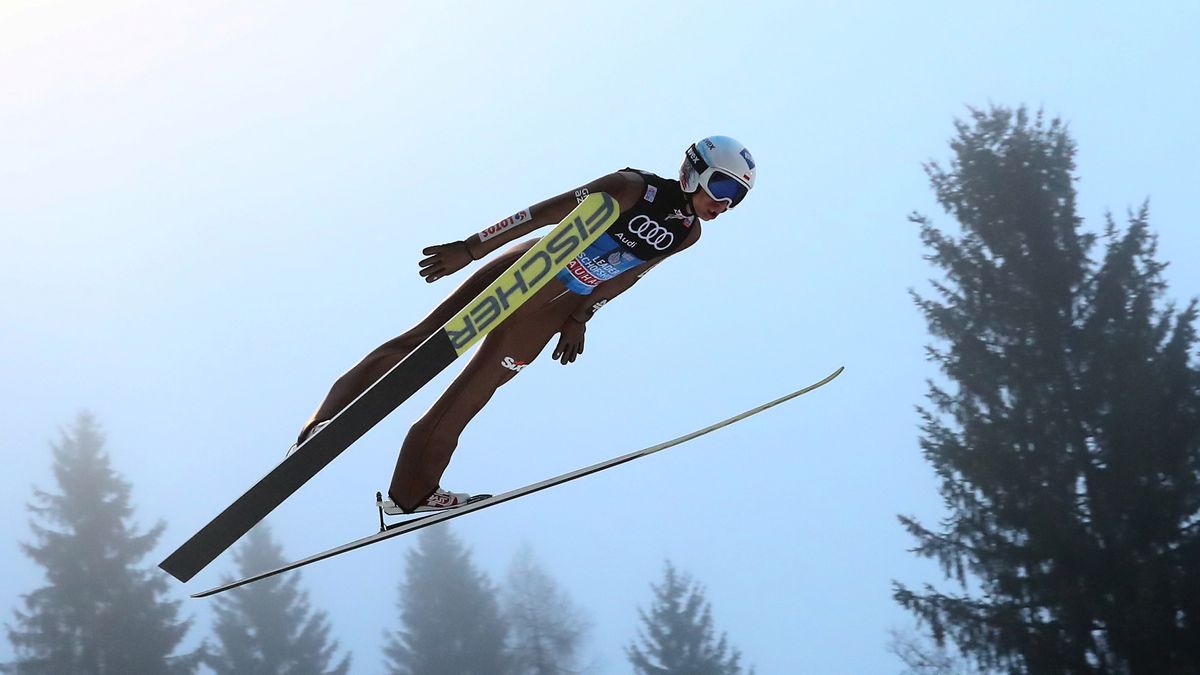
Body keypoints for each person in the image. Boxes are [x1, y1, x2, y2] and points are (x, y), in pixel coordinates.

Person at [291, 136, 756, 513]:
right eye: (722, 188)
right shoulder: (632, 186)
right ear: (695, 170)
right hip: (529, 269)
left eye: (736, 198)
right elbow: (546, 212)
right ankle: (324, 424)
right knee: (423, 343)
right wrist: (472, 248)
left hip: (557, 305)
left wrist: (579, 318)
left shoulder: (687, 234)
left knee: (473, 394)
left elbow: (629, 275)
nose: (724, 204)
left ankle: (410, 493)